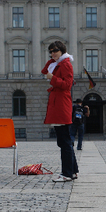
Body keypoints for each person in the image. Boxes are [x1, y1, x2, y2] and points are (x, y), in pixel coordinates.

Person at [42, 41, 77, 182]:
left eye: (55, 50)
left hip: (62, 104)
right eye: (50, 51)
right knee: (64, 141)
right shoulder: (58, 63)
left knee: (64, 142)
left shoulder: (66, 64)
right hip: (58, 104)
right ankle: (73, 171)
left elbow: (67, 85)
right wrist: (52, 60)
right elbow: (44, 71)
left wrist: (53, 78)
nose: (53, 53)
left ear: (62, 50)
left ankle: (67, 173)